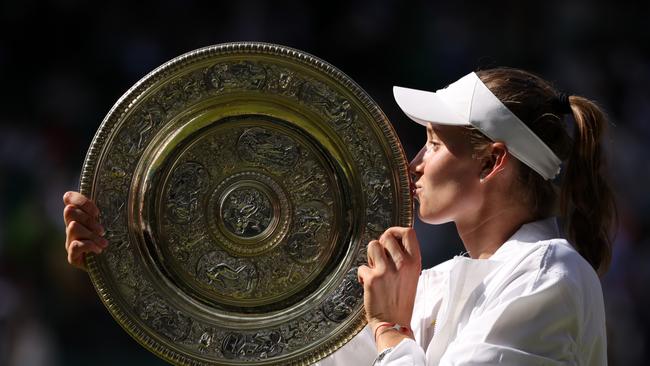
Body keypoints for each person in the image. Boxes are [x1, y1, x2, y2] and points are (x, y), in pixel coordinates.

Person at [63, 67, 615, 365]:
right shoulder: (435, 285)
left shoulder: (549, 274)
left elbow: (383, 344)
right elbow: (268, 350)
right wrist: (125, 253)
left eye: (433, 144)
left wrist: (391, 331)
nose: (414, 162)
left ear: (493, 161)